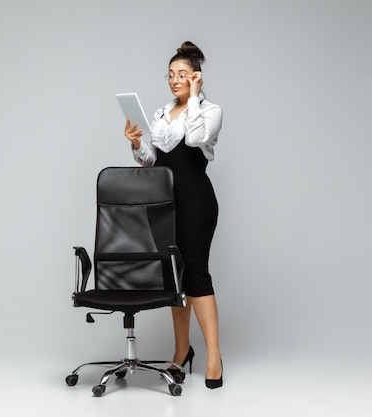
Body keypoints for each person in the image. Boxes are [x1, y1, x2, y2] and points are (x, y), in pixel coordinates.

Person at [123, 41, 223, 389]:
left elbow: (196, 139)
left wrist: (194, 98)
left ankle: (214, 357)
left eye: (182, 75)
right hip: (162, 202)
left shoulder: (210, 110)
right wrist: (137, 144)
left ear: (196, 77)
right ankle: (182, 352)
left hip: (195, 200)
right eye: (170, 75)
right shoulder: (162, 113)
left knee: (196, 274)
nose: (174, 80)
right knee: (175, 279)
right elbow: (154, 159)